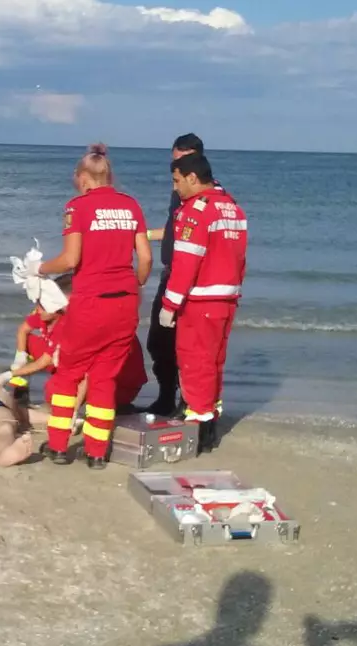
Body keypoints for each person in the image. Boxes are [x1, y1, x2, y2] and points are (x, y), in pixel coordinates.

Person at [33, 143, 152, 469]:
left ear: (83, 177)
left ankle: (58, 446)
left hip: (90, 303)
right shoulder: (130, 205)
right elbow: (145, 257)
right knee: (104, 377)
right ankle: (97, 452)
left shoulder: (77, 207)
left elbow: (71, 259)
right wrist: (135, 285)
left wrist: (40, 269)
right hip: (125, 303)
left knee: (68, 374)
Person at [158, 153, 248, 452]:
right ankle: (209, 426)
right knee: (214, 363)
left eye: (177, 181)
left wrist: (169, 306)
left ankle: (197, 433)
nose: (175, 188)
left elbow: (185, 263)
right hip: (226, 300)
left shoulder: (196, 211)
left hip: (200, 301)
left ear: (192, 178)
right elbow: (239, 259)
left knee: (194, 363)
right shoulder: (233, 208)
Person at [143, 133, 229, 415]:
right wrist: (141, 235)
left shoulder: (209, 199)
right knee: (158, 341)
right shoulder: (179, 193)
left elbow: (199, 238)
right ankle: (168, 395)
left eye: (181, 164)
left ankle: (191, 404)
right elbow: (175, 230)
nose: (175, 171)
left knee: (192, 349)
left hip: (194, 282)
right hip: (172, 274)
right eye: (174, 163)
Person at [0, 274, 146, 416]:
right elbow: (24, 330)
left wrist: (72, 411)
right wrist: (20, 357)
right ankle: (20, 394)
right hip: (82, 366)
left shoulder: (85, 323)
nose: (38, 308)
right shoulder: (49, 311)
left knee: (55, 393)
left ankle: (95, 408)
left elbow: (88, 372)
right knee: (29, 344)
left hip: (119, 384)